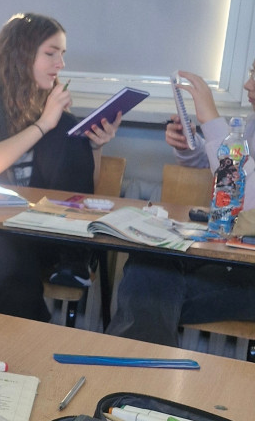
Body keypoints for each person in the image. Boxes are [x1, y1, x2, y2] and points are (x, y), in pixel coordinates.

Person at [0, 13, 121, 322]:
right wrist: (42, 124)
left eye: (62, 54)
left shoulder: (52, 110)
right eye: (51, 53)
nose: (60, 64)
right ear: (21, 56)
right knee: (16, 281)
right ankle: (26, 347)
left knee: (68, 129)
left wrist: (95, 148)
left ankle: (73, 258)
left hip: (40, 227)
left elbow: (84, 190)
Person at [107, 64, 255, 345]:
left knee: (148, 291)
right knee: (149, 260)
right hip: (232, 255)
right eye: (250, 73)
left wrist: (211, 120)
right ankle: (138, 365)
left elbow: (243, 199)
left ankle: (131, 364)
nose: (248, 85)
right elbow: (225, 174)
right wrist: (191, 147)